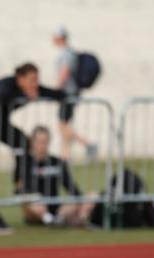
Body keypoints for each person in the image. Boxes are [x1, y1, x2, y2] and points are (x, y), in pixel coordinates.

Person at [0, 63, 66, 235]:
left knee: (23, 143)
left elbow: (49, 92)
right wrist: (26, 94)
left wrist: (65, 95)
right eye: (32, 80)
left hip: (0, 125)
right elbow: (1, 96)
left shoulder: (28, 87)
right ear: (20, 78)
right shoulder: (5, 85)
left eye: (37, 79)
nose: (35, 83)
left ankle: (19, 184)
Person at [17, 125, 95, 227]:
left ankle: (76, 220)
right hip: (36, 208)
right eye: (39, 141)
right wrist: (35, 198)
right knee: (31, 200)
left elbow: (71, 187)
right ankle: (49, 219)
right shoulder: (25, 162)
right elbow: (21, 189)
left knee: (92, 196)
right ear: (33, 142)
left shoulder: (57, 162)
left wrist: (81, 200)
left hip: (58, 209)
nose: (42, 145)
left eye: (45, 141)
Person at [52, 26, 97, 161]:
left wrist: (55, 90)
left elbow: (64, 73)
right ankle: (65, 155)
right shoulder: (69, 52)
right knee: (64, 125)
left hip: (68, 93)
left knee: (62, 125)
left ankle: (88, 145)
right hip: (70, 93)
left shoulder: (66, 54)